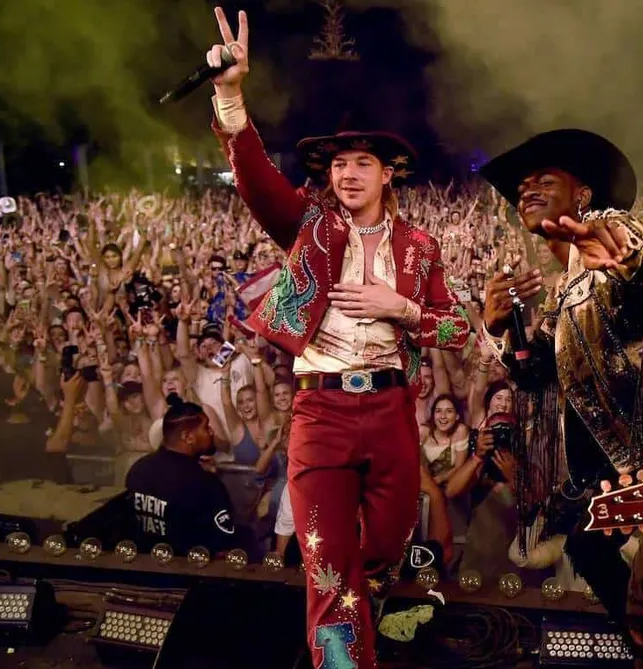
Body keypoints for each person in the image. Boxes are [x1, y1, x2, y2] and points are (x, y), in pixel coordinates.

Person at [203, 9, 470, 669]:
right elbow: (256, 178)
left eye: (362, 162)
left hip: (389, 413)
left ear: (389, 174)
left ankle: (357, 605)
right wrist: (232, 94)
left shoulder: (419, 248)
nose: (347, 174)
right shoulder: (309, 227)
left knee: (381, 545)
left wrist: (402, 307)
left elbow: (458, 328)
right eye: (337, 164)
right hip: (319, 412)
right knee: (326, 567)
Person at [479, 129, 643, 668]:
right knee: (590, 553)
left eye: (543, 180)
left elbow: (642, 280)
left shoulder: (609, 254)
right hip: (612, 478)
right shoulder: (566, 291)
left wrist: (628, 256)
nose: (526, 191)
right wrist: (500, 329)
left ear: (583, 195)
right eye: (520, 187)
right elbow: (534, 372)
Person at [125, 394, 251, 557]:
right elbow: (223, 550)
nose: (212, 432)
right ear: (187, 437)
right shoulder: (205, 484)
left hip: (141, 569)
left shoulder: (138, 470)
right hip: (187, 576)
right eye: (206, 427)